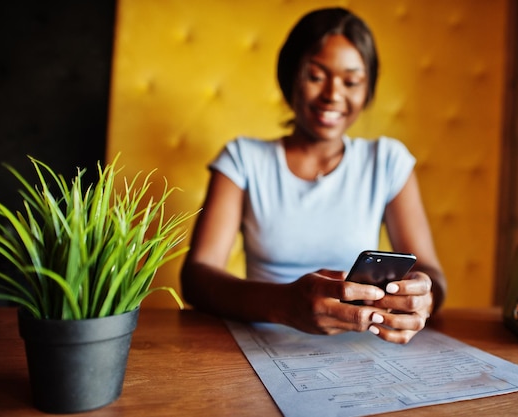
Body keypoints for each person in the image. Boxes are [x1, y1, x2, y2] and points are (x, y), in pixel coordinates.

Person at [181, 7, 447, 344]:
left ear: (367, 90)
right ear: (291, 75)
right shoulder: (243, 159)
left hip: (359, 348)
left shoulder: (388, 161)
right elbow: (197, 277)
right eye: (316, 76)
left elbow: (433, 274)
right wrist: (284, 305)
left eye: (351, 81)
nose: (333, 95)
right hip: (263, 344)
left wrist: (423, 296)